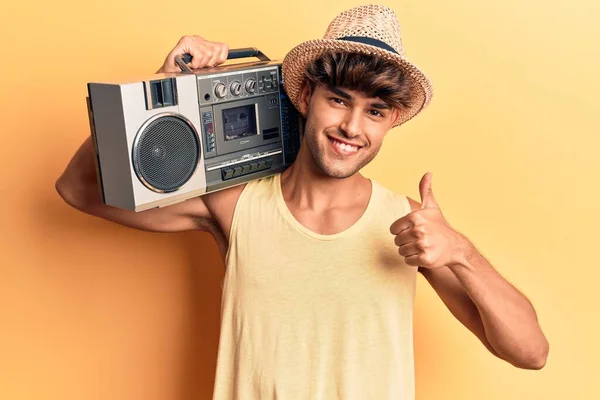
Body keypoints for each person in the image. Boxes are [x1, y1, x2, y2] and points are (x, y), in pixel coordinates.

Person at [56, 4, 549, 399]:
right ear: (307, 95)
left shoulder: (407, 224)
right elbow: (77, 189)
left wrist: (460, 251)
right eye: (338, 100)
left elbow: (530, 352)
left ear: (392, 120)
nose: (352, 128)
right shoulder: (232, 205)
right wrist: (160, 86)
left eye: (374, 111)